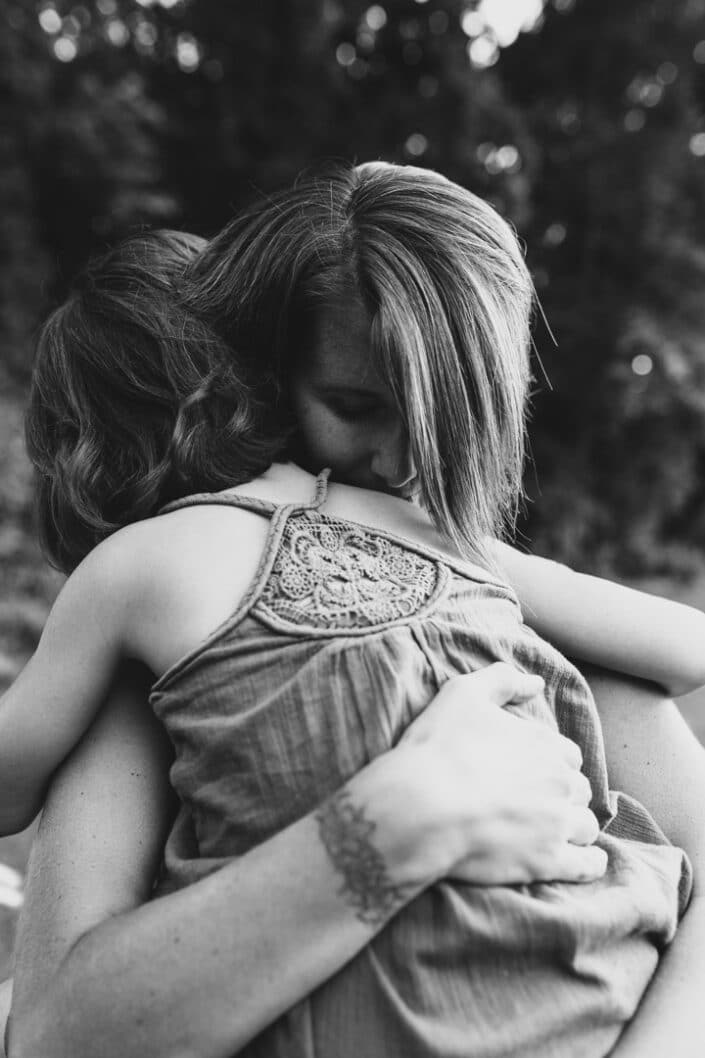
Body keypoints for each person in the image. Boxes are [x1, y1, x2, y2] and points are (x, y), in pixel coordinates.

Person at [3, 164, 705, 1056]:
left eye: (443, 417)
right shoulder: (437, 555)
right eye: (355, 405)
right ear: (262, 377)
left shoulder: (136, 575)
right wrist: (397, 824)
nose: (406, 459)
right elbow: (60, 1035)